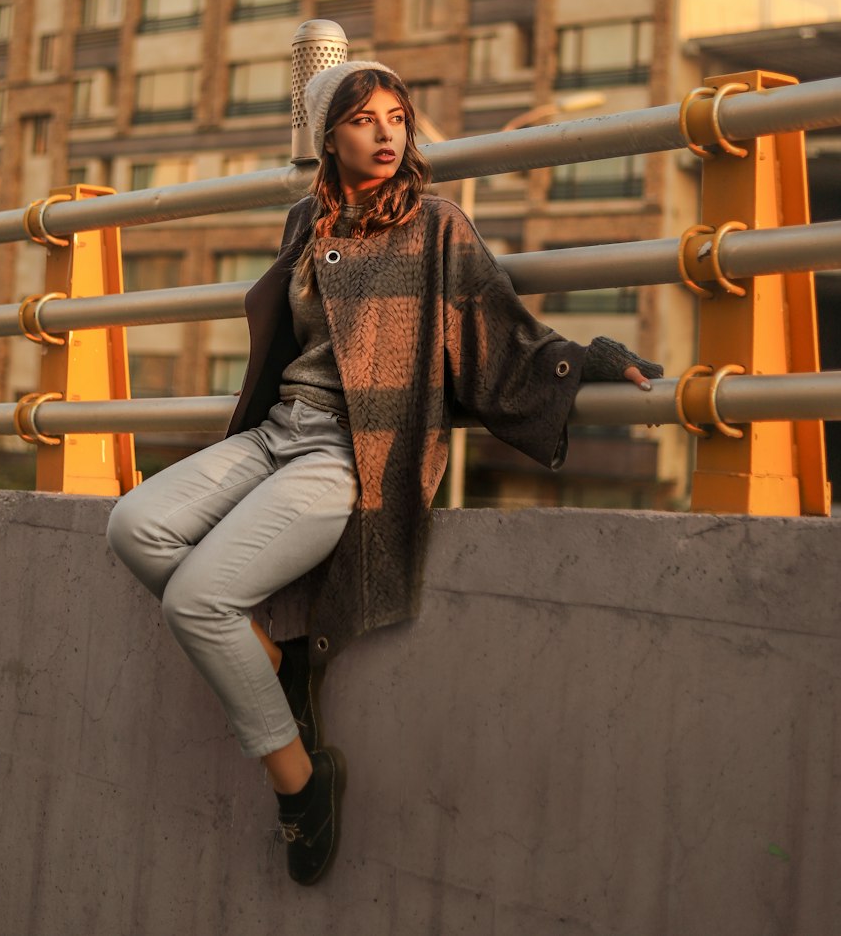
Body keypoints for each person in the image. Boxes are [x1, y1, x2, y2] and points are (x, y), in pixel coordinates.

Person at [106, 62, 662, 886]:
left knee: (198, 599)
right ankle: (272, 664)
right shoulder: (308, 218)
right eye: (365, 120)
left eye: (398, 117)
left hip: (349, 452)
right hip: (276, 433)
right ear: (329, 137)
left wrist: (586, 363)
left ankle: (297, 781)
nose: (386, 133)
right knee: (131, 525)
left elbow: (495, 332)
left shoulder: (437, 224)